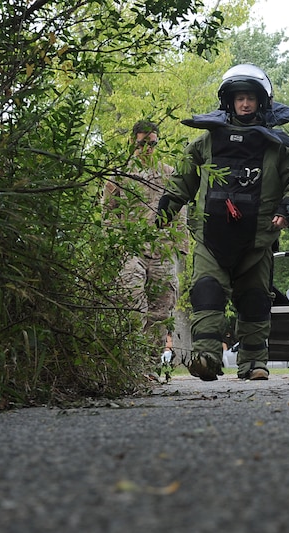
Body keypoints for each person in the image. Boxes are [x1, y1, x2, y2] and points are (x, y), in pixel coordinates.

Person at [157, 64, 289, 381]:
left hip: (258, 241)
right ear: (229, 101)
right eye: (240, 98)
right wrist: (165, 210)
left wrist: (288, 210)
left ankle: (255, 363)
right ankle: (206, 359)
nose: (245, 104)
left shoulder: (277, 145)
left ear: (261, 102)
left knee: (255, 300)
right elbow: (183, 180)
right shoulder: (207, 141)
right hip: (211, 239)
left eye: (250, 99)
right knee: (207, 292)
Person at [102, 120, 187, 378]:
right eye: (142, 144)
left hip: (162, 249)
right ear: (133, 143)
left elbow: (180, 212)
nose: (148, 149)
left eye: (152, 144)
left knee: (161, 310)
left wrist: (179, 250)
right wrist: (114, 246)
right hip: (132, 248)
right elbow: (107, 215)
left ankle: (148, 368)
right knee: (131, 300)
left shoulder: (170, 174)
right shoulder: (118, 176)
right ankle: (129, 363)